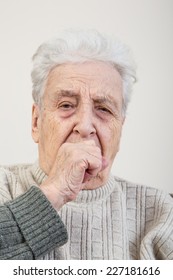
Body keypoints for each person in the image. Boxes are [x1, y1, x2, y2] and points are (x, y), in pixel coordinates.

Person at [0, 30, 173, 260]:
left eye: (103, 109)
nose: (85, 125)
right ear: (36, 122)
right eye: (66, 105)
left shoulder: (161, 211)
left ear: (120, 129)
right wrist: (55, 191)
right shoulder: (3, 186)